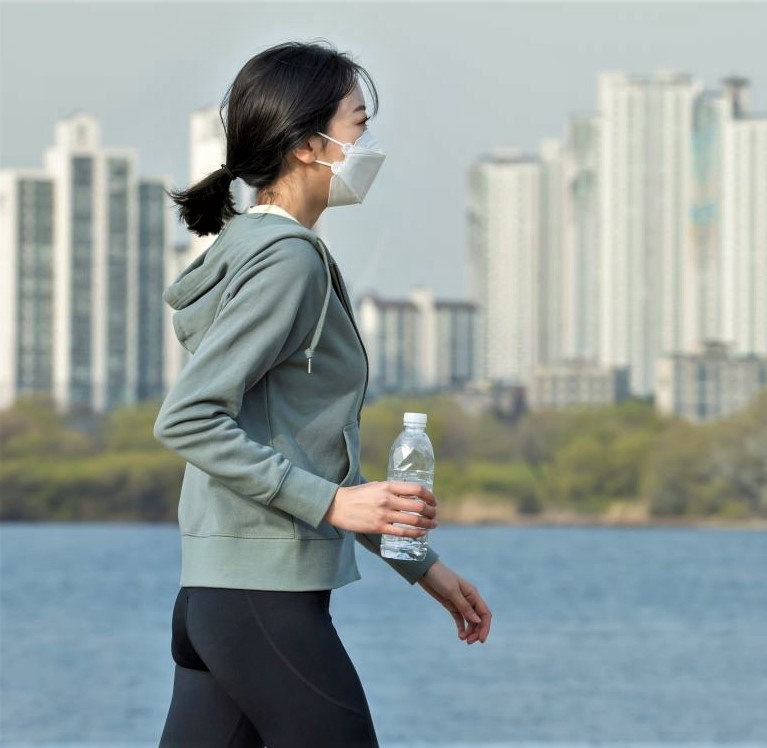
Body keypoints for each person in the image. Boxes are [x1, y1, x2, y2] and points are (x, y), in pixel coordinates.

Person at [154, 40, 492, 747]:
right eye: (359, 125)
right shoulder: (288, 265)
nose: (369, 143)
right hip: (260, 601)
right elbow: (188, 419)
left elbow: (308, 458)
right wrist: (335, 503)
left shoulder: (251, 249)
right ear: (311, 145)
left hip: (225, 598)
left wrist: (420, 567)